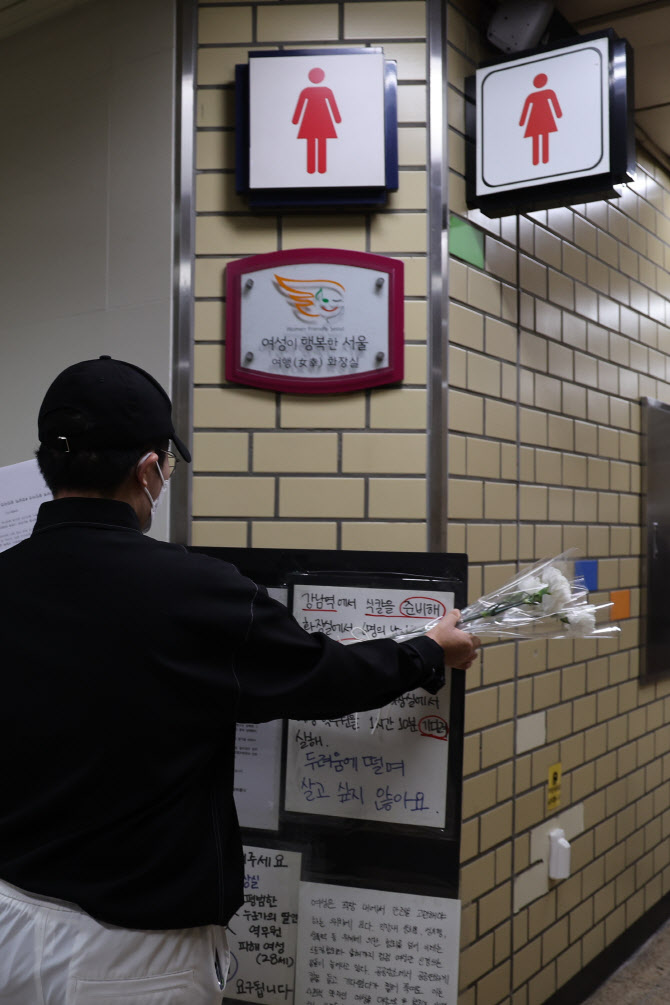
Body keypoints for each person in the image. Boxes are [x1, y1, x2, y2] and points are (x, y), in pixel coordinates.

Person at [0, 356, 480, 1004]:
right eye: (166, 468)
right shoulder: (191, 592)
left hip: (9, 922)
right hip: (128, 956)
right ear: (147, 469)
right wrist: (428, 649)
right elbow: (322, 674)